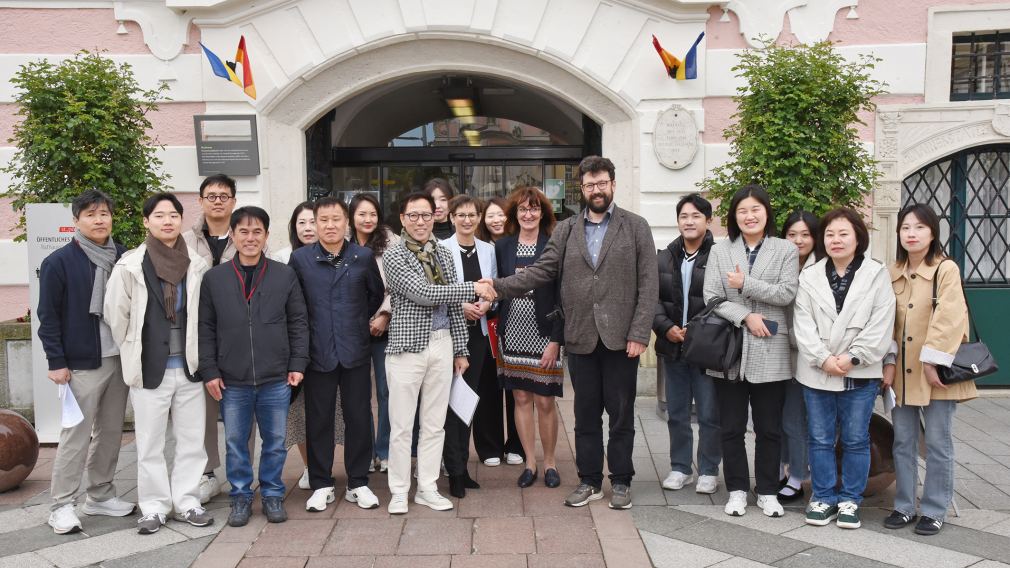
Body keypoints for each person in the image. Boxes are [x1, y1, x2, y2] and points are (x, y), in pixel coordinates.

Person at [485, 155, 659, 510]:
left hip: (621, 339)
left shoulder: (636, 226)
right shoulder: (565, 230)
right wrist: (498, 287)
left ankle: (622, 481)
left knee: (622, 414)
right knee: (586, 415)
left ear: (613, 183)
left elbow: (649, 283)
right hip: (580, 338)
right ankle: (590, 480)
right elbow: (541, 271)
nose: (596, 190)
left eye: (602, 183)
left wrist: (640, 332)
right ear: (581, 188)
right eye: (589, 185)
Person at [105, 192, 212, 534]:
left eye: (173, 215)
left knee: (191, 439)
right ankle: (153, 505)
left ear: (181, 220)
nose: (167, 221)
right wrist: (136, 347)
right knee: (149, 441)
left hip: (189, 366)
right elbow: (116, 316)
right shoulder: (131, 265)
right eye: (159, 215)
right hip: (150, 366)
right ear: (146, 221)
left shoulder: (196, 263)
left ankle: (187, 501)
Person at [382, 191, 496, 514]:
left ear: (435, 217)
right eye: (413, 215)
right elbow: (425, 293)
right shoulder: (395, 255)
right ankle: (400, 490)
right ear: (403, 219)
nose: (420, 221)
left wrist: (461, 349)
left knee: (435, 424)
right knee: (402, 425)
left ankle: (428, 487)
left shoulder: (443, 255)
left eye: (426, 215)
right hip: (407, 347)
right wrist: (473, 286)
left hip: (442, 344)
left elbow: (452, 309)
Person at [198, 206, 310, 527]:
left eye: (257, 231)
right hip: (232, 379)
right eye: (243, 232)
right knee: (235, 442)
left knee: (275, 442)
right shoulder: (215, 278)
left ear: (266, 235)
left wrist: (297, 364)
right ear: (232, 235)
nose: (250, 238)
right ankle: (241, 496)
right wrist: (210, 370)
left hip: (276, 376)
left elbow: (298, 323)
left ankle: (273, 494)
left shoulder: (283, 274)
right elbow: (205, 328)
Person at [38, 190, 135, 534]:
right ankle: (61, 504)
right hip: (81, 363)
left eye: (105, 213)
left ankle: (100, 494)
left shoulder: (125, 256)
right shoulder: (59, 262)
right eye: (91, 214)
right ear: (76, 220)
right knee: (76, 435)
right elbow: (48, 317)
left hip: (119, 360)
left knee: (110, 432)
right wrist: (56, 361)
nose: (99, 220)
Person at [792, 208, 895, 529]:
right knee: (820, 438)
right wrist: (824, 359)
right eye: (830, 234)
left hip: (860, 372)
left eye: (843, 234)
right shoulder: (809, 276)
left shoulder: (876, 274)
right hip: (817, 371)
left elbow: (882, 323)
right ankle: (822, 496)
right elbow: (802, 324)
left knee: (855, 438)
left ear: (858, 238)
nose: (836, 240)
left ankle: (850, 499)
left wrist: (853, 358)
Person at [702, 184, 798, 518]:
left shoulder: (785, 249)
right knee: (730, 426)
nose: (749, 216)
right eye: (742, 210)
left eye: (755, 209)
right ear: (734, 216)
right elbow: (712, 296)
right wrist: (746, 315)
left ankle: (768, 490)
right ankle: (738, 489)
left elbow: (787, 293)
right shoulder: (720, 249)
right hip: (730, 349)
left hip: (771, 348)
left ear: (766, 212)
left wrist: (746, 286)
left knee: (769, 427)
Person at [882, 204, 977, 536]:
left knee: (937, 442)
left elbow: (951, 318)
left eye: (920, 227)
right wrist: (889, 363)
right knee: (903, 442)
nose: (911, 233)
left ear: (933, 232)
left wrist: (934, 360)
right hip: (902, 375)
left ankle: (934, 509)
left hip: (934, 371)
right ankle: (905, 506)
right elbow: (886, 324)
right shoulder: (891, 271)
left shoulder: (945, 269)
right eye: (905, 227)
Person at [288, 197, 385, 513]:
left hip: (355, 349)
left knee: (359, 416)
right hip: (318, 353)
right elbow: (296, 306)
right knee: (319, 419)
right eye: (323, 220)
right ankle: (321, 483)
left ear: (347, 223)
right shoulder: (300, 259)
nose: (330, 226)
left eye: (336, 220)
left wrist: (356, 324)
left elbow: (374, 296)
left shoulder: (363, 256)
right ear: (314, 223)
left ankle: (358, 481)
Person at [495, 186, 565, 489]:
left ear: (543, 213)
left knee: (545, 400)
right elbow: (498, 289)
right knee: (520, 398)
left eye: (534, 209)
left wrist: (556, 340)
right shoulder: (503, 246)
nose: (528, 214)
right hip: (511, 333)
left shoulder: (553, 245)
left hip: (544, 334)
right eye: (523, 209)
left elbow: (563, 297)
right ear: (515, 214)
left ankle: (550, 462)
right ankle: (530, 462)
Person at [654, 193, 720, 495]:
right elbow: (652, 300)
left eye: (696, 216)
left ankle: (708, 469)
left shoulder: (719, 257)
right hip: (673, 347)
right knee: (677, 412)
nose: (689, 221)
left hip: (706, 349)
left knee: (708, 412)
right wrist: (666, 328)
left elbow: (723, 302)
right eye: (684, 216)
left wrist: (696, 331)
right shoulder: (664, 257)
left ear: (708, 221)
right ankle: (680, 467)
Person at [183, 174, 238, 504]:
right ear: (201, 200)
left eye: (224, 195)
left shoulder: (245, 233)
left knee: (239, 408)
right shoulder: (184, 240)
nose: (218, 201)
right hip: (197, 336)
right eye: (211, 195)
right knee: (200, 411)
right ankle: (207, 472)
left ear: (233, 200)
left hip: (237, 337)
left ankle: (239, 474)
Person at [272, 201, 333, 491]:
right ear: (293, 227)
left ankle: (324, 465)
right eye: (302, 223)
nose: (308, 228)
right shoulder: (282, 258)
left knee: (326, 410)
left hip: (325, 344)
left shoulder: (335, 254)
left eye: (313, 222)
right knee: (297, 410)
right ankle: (310, 467)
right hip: (290, 346)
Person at [442, 195, 496, 497]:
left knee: (467, 402)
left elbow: (494, 286)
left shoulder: (487, 249)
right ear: (451, 218)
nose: (466, 220)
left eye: (472, 215)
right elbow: (441, 290)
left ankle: (462, 465)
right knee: (452, 404)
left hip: (479, 336)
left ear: (479, 218)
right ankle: (454, 471)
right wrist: (462, 306)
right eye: (460, 215)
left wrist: (486, 304)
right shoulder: (442, 249)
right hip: (451, 334)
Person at [350, 192, 399, 474]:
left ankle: (386, 449)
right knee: (359, 394)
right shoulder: (343, 242)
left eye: (372, 214)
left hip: (384, 327)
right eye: (361, 214)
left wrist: (384, 314)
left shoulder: (391, 242)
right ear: (352, 216)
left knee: (385, 390)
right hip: (353, 328)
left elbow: (396, 284)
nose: (368, 219)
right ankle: (365, 451)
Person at [476, 195, 525, 466]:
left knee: (516, 387)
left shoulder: (516, 245)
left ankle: (516, 444)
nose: (496, 220)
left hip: (515, 323)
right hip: (486, 324)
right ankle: (489, 446)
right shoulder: (481, 248)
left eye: (500, 215)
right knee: (488, 386)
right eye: (490, 215)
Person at [778, 211, 820, 503]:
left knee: (795, 420)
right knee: (777, 418)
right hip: (778, 354)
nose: (798, 240)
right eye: (792, 234)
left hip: (808, 356)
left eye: (805, 234)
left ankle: (797, 475)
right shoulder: (781, 264)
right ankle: (782, 469)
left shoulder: (821, 269)